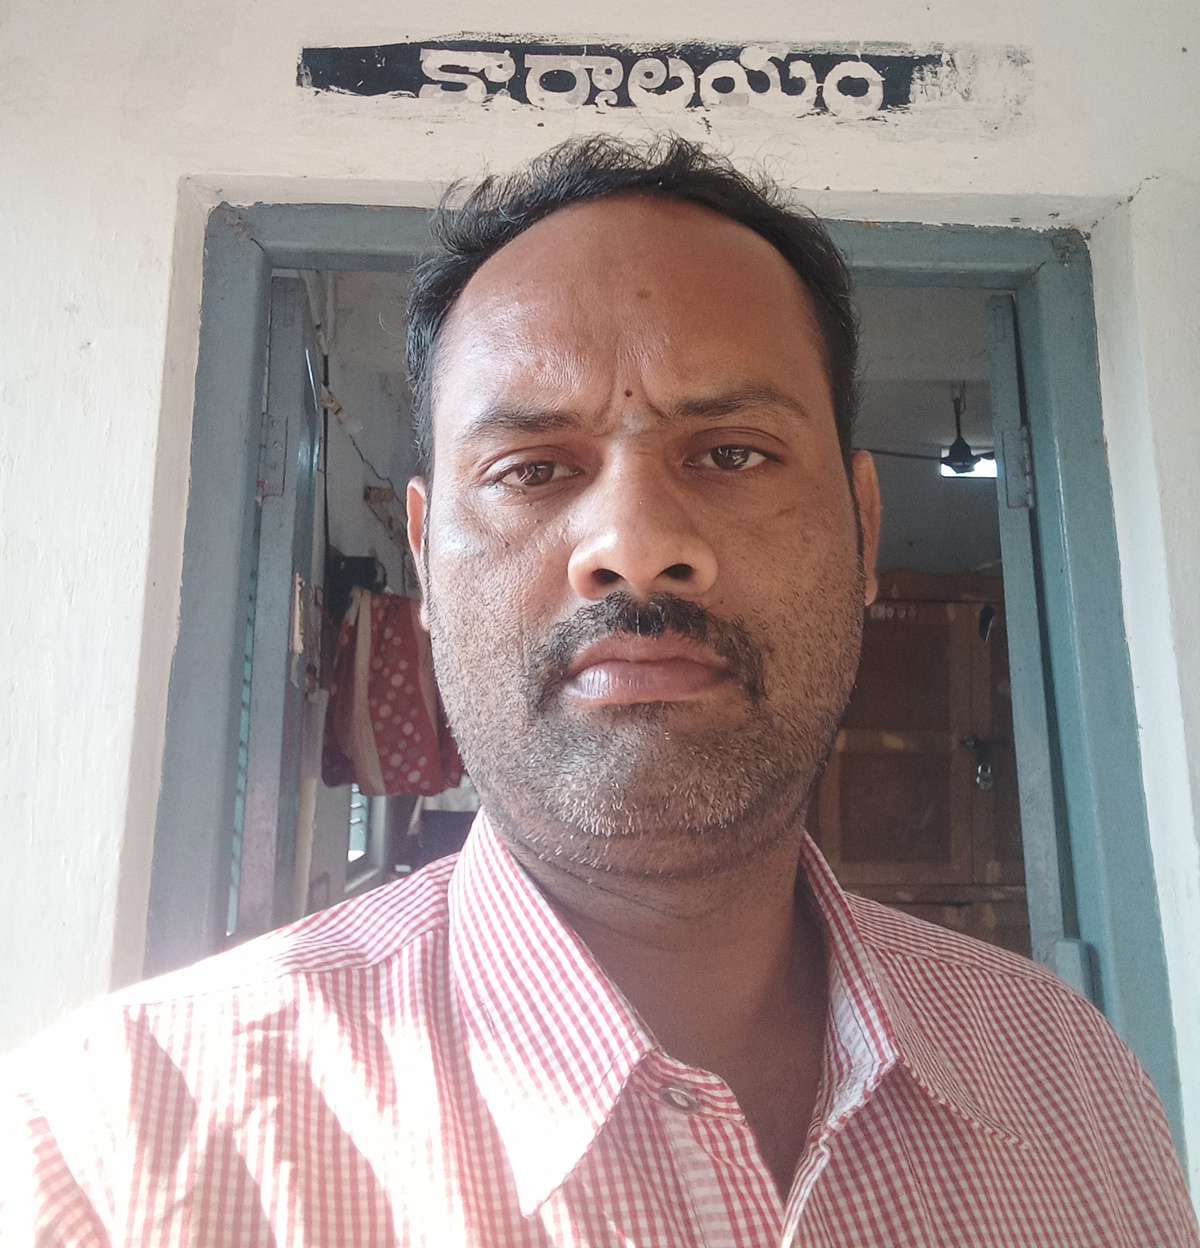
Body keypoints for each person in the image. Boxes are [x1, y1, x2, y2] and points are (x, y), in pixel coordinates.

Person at [4, 135, 1198, 1247]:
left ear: (863, 529)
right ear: (425, 559)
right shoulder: (117, 1150)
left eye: (732, 452)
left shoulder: (1073, 1081)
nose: (633, 544)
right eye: (532, 469)